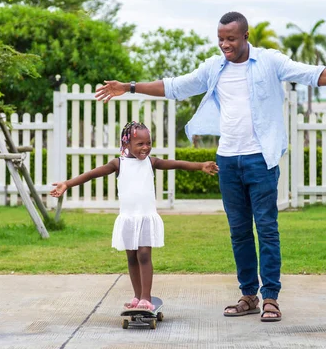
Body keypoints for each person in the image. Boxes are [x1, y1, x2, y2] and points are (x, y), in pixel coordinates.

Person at [94, 11, 326, 321]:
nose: (224, 44)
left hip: (260, 158)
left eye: (230, 39)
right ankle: (249, 295)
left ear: (246, 36)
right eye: (220, 39)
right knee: (239, 232)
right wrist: (130, 87)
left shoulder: (269, 61)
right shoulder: (214, 67)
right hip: (228, 160)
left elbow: (313, 74)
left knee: (267, 229)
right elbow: (175, 86)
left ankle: (270, 297)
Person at [50, 121, 219, 310]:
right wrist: (67, 184)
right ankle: (137, 296)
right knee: (131, 257)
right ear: (126, 144)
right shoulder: (118, 164)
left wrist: (200, 165)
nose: (145, 147)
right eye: (140, 144)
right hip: (128, 219)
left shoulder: (151, 162)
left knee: (144, 255)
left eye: (148, 143)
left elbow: (176, 164)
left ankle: (147, 297)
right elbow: (92, 174)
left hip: (146, 217)